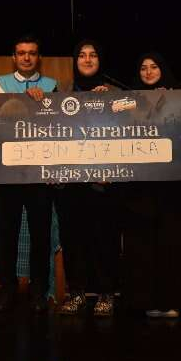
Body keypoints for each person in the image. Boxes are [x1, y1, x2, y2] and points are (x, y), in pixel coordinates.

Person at [122, 52, 181, 318]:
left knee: (171, 242)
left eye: (154, 67)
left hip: (172, 188)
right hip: (140, 188)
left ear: (163, 70)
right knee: (142, 244)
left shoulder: (179, 97)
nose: (148, 72)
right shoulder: (128, 100)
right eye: (143, 67)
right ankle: (145, 300)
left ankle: (172, 300)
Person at [0, 34, 57, 314]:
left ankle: (38, 289)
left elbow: (56, 125)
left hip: (39, 172)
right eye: (21, 53)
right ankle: (7, 287)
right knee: (7, 233)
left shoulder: (51, 85)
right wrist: (25, 101)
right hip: (8, 171)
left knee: (41, 234)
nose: (26, 57)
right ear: (14, 57)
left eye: (32, 53)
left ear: (38, 57)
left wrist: (43, 102)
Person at [55, 39, 120, 317]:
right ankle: (77, 293)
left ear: (100, 60)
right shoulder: (61, 92)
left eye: (93, 55)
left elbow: (130, 128)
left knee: (104, 238)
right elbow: (49, 129)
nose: (88, 59)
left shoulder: (115, 93)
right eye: (82, 55)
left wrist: (110, 104)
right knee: (73, 239)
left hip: (102, 183)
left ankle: (106, 293)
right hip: (70, 183)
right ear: (75, 60)